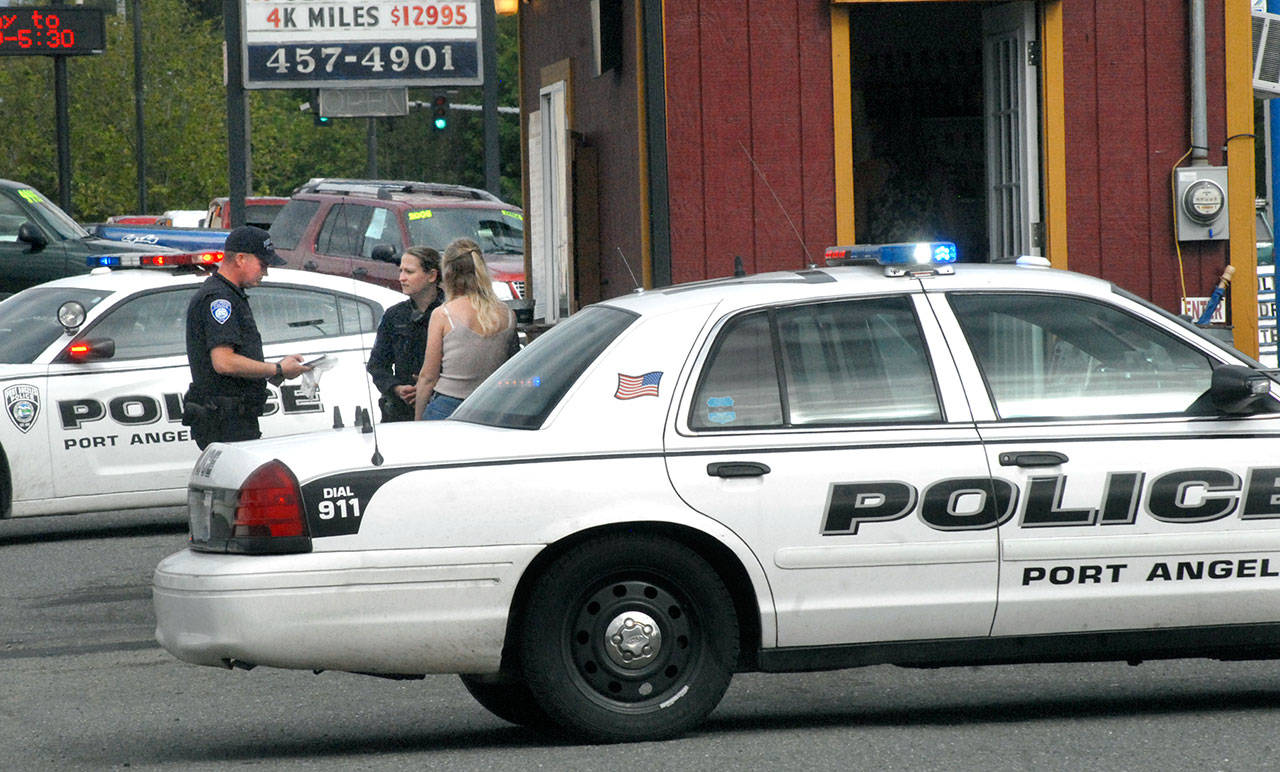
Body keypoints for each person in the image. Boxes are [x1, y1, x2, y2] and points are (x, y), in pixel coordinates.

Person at [182, 225, 311, 449]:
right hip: (226, 421)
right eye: (263, 264)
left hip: (232, 418)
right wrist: (277, 369)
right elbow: (224, 362)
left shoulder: (229, 294)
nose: (266, 272)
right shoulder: (219, 299)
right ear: (241, 258)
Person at [414, 238, 517, 420]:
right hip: (493, 406)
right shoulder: (507, 315)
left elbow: (428, 377)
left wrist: (418, 418)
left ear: (448, 273)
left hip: (448, 406)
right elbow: (513, 368)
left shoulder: (443, 314)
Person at [366, 246, 443, 422]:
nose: (401, 278)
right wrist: (396, 388)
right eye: (400, 271)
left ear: (431, 275)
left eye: (409, 272)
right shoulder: (394, 315)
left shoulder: (450, 312)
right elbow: (377, 365)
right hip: (400, 409)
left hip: (441, 405)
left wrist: (430, 387)